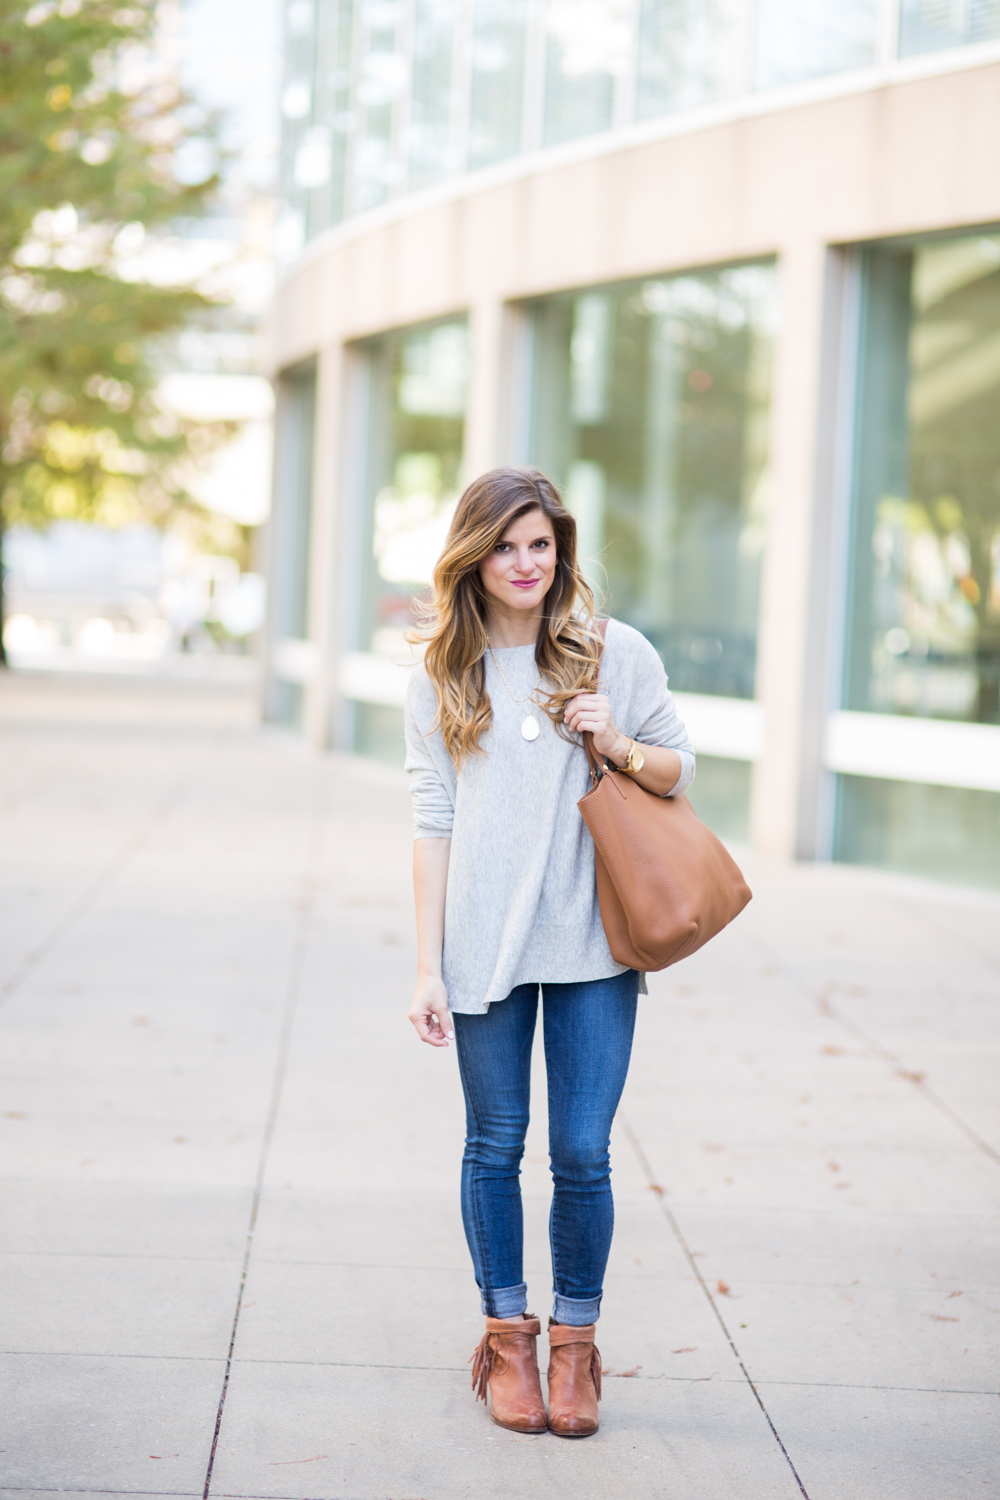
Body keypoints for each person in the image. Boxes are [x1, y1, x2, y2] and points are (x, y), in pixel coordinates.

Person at [404, 466, 695, 1437]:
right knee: (494, 1145)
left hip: (594, 946)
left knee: (581, 1150)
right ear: (472, 557)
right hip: (483, 944)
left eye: (540, 544)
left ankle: (576, 1344)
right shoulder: (441, 674)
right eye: (504, 545)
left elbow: (676, 764)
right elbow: (432, 815)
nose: (524, 563)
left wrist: (613, 740)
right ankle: (507, 1339)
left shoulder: (614, 654)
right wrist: (425, 964)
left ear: (560, 550)